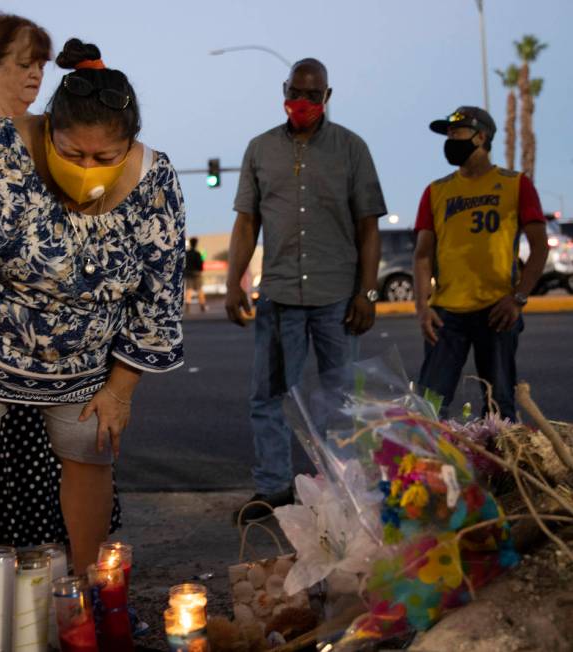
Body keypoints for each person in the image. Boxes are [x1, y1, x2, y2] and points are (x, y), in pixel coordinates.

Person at [0, 38, 185, 576]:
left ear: (129, 146)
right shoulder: (1, 150)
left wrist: (120, 389)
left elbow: (159, 297)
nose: (87, 168)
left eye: (104, 158)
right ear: (47, 131)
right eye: (71, 153)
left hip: (83, 355)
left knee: (90, 452)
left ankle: (87, 591)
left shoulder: (156, 180)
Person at [225, 58, 387, 522]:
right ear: (285, 89)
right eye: (296, 92)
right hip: (279, 297)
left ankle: (342, 495)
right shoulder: (260, 150)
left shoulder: (351, 149)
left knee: (340, 400)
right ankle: (274, 490)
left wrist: (368, 294)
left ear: (327, 97)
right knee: (268, 397)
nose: (303, 102)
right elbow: (246, 222)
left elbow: (368, 227)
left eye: (313, 96)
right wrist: (236, 282)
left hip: (338, 297)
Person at [414, 106, 548, 420]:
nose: (449, 140)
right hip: (446, 314)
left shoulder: (516, 184)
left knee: (499, 407)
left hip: (497, 311)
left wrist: (518, 298)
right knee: (429, 407)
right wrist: (423, 307)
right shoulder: (436, 191)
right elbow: (422, 254)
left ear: (481, 136)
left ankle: (502, 469)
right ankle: (431, 469)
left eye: (456, 133)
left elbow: (539, 246)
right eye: (447, 134)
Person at [185, 236, 207, 312]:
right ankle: (202, 306)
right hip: (197, 274)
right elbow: (200, 265)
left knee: (189, 290)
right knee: (199, 290)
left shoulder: (187, 254)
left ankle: (187, 307)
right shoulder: (197, 254)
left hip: (188, 273)